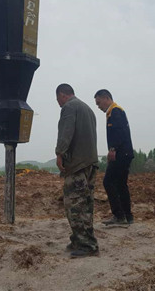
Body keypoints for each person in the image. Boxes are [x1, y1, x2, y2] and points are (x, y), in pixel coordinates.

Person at [55, 83, 99, 258]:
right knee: (86, 204)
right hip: (90, 163)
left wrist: (60, 153)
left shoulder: (69, 107)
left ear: (62, 95)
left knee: (74, 205)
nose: (58, 103)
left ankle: (87, 245)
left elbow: (66, 132)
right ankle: (79, 239)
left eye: (58, 99)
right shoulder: (87, 109)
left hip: (77, 165)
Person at [94, 89, 134, 226]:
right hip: (125, 153)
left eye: (99, 103)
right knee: (121, 184)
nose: (99, 107)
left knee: (108, 181)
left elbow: (119, 133)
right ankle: (127, 216)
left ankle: (119, 215)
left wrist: (113, 149)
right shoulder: (116, 111)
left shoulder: (115, 111)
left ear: (106, 98)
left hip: (121, 154)